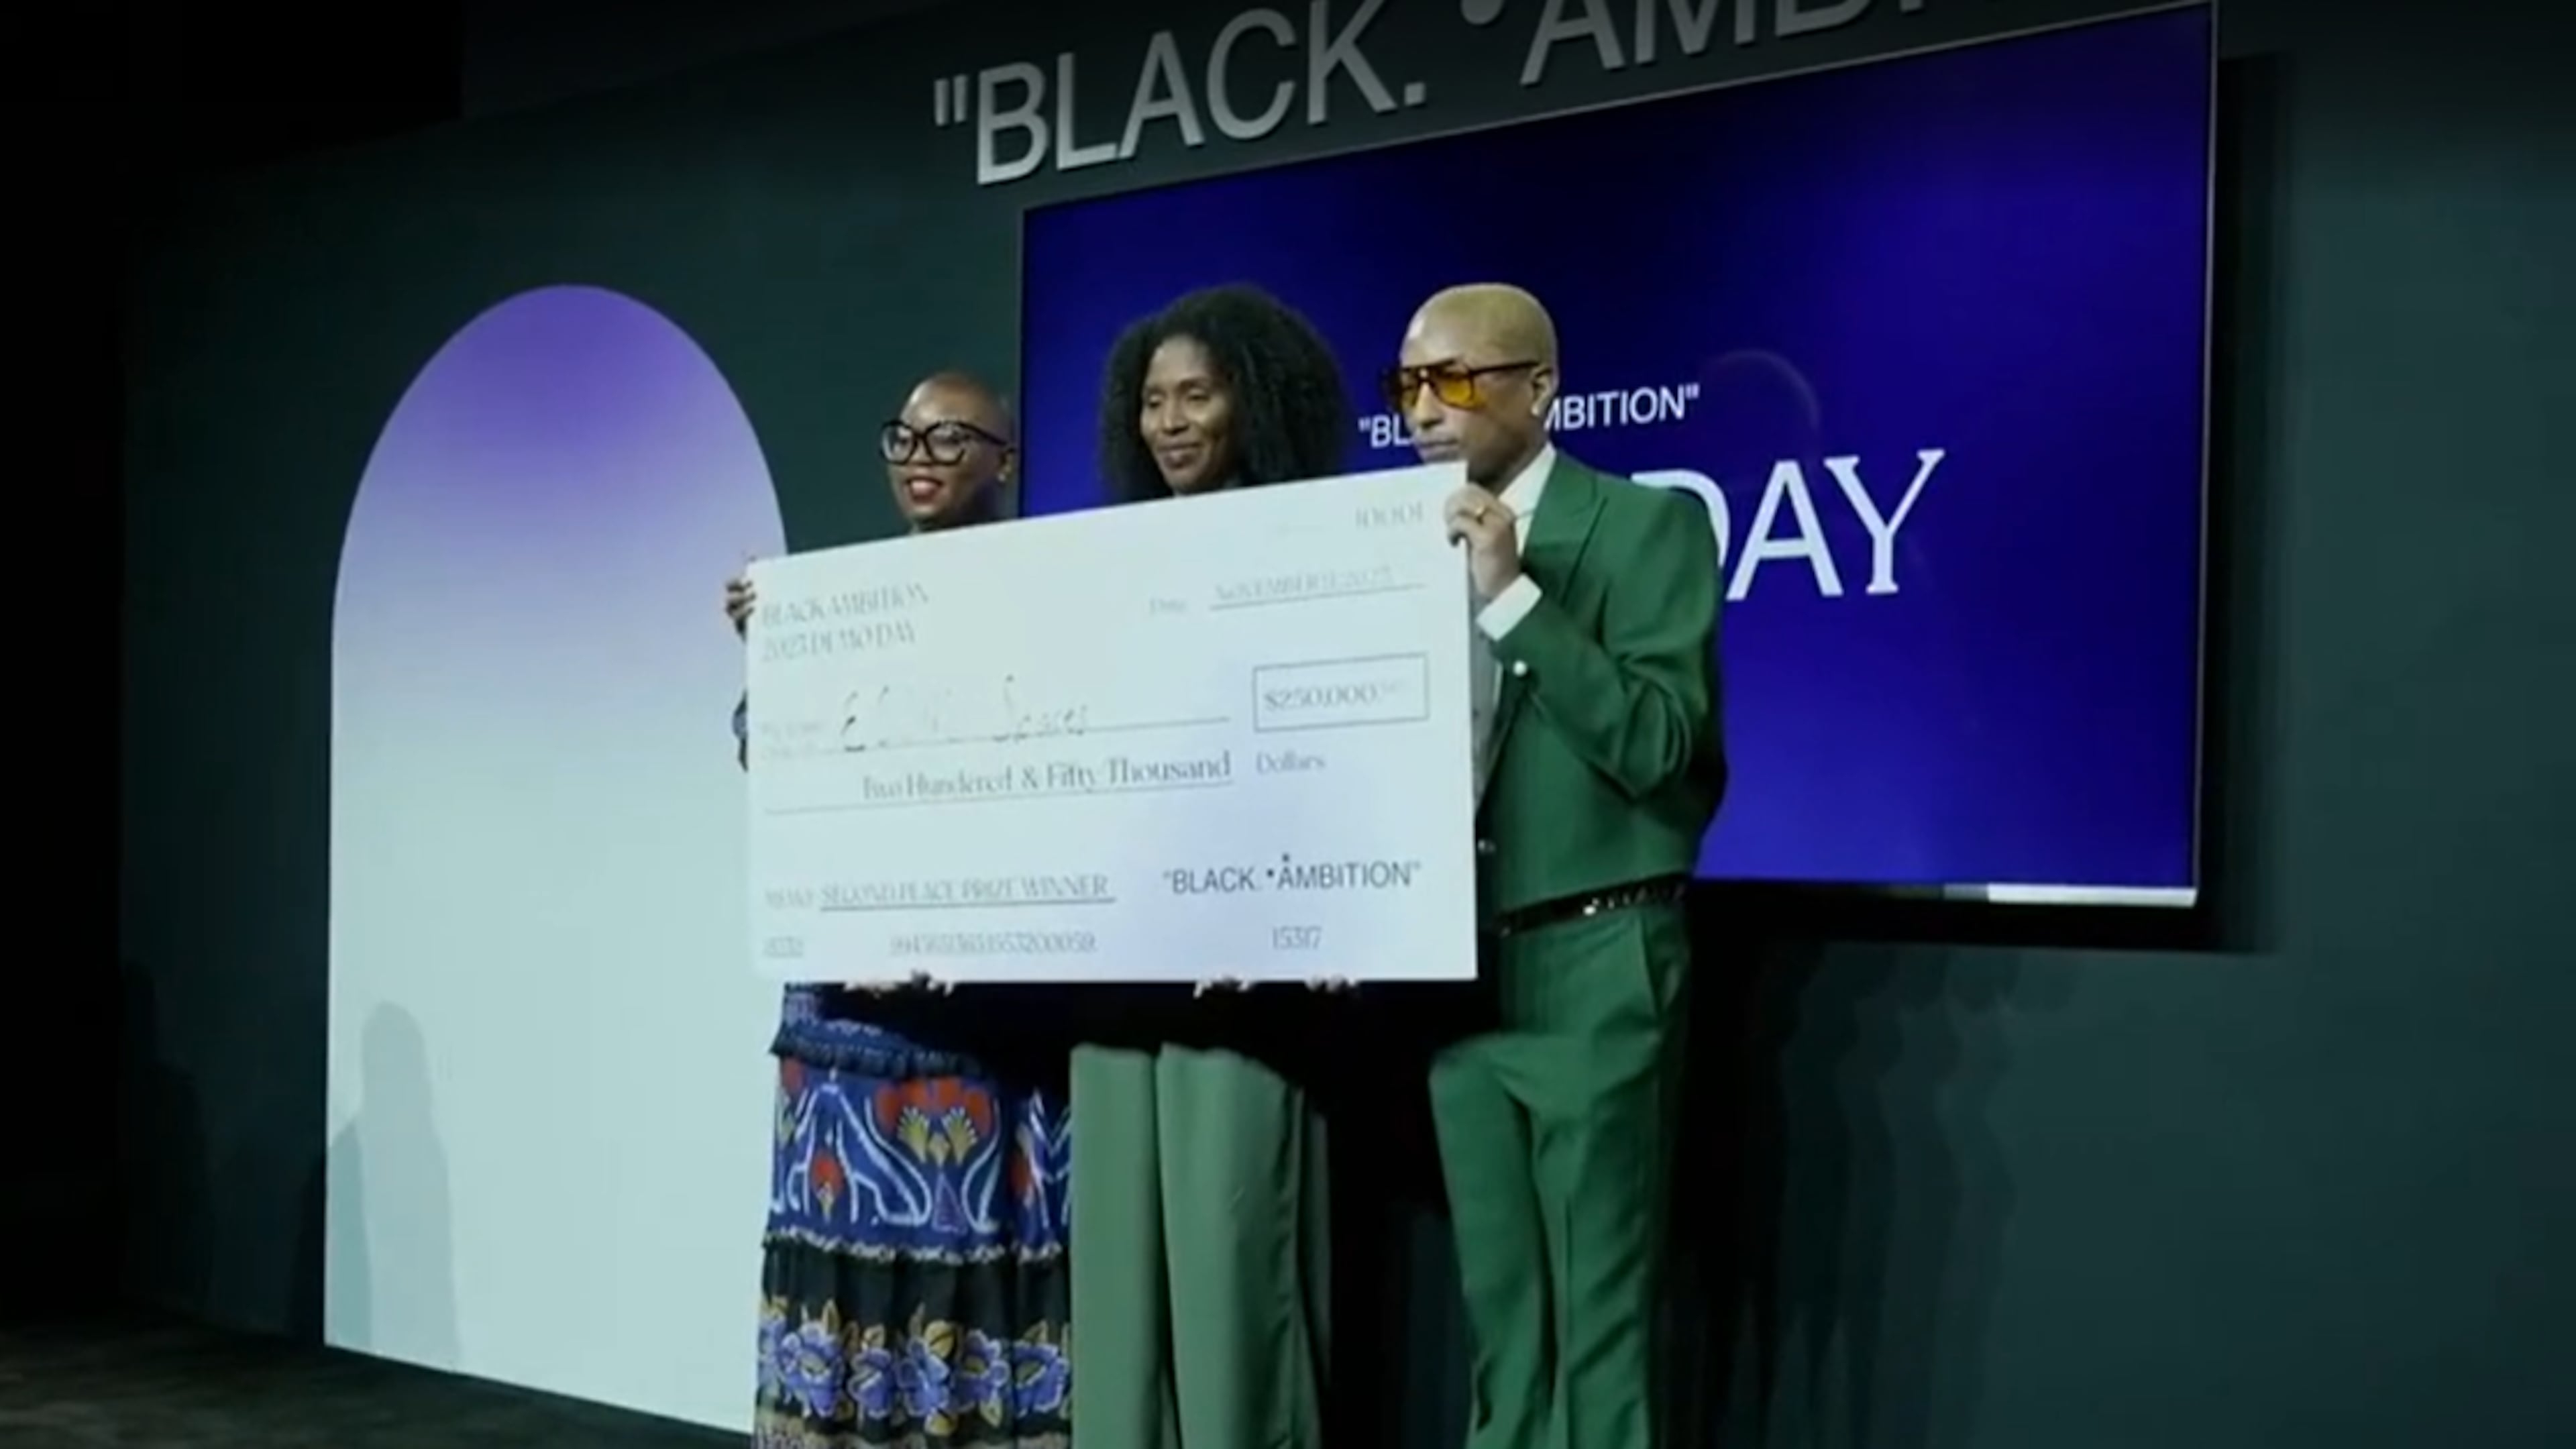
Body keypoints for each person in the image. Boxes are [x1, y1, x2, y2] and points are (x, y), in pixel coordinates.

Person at [1393, 284, 1725, 1449]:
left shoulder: (1645, 527)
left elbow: (1664, 748)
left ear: (1540, 387)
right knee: (1505, 1338)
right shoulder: (1389, 547)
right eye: (1408, 384)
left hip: (1598, 957)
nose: (1424, 409)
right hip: (1461, 978)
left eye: (1454, 379)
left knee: (1598, 1337)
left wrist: (1515, 597)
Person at [728, 372, 1073, 1449]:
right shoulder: (842, 603)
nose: (921, 457)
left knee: (975, 1291)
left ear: (1006, 460)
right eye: (905, 438)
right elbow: (767, 757)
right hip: (840, 1043)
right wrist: (771, 655)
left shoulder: (1057, 598)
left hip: (980, 1036)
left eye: (951, 438)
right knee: (837, 1301)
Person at [1071, 283, 1352, 1449]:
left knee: (1236, 1300)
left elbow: (1344, 763)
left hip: (1245, 989)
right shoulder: (1096, 566)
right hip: (1110, 989)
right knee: (1117, 1318)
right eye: (1153, 401)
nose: (1171, 423)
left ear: (1256, 402)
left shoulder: (1323, 556)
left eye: (1198, 395)